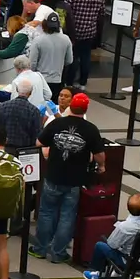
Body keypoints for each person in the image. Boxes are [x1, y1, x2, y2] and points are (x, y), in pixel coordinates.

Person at [33, 94, 100, 265]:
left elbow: (39, 143)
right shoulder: (90, 129)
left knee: (46, 213)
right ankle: (58, 253)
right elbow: (100, 154)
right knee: (67, 216)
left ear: (71, 106)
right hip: (74, 180)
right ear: (85, 109)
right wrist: (102, 166)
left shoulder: (57, 123)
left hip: (53, 175)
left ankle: (40, 249)